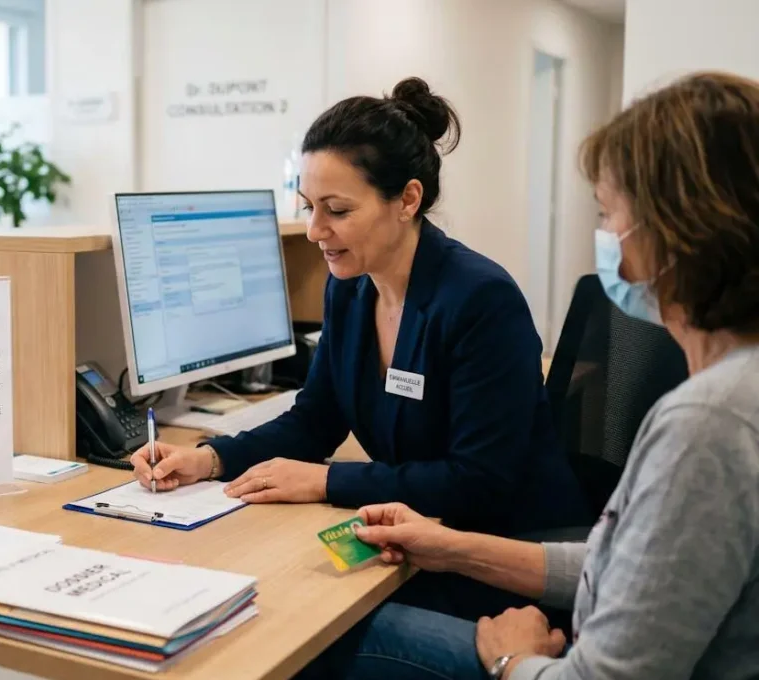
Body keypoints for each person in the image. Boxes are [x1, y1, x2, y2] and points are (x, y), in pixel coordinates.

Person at [312, 70, 759, 680]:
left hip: (550, 656)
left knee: (321, 639)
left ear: (682, 232)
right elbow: (630, 567)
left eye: (609, 216)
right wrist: (451, 548)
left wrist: (510, 658)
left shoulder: (710, 423)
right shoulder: (728, 398)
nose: (604, 240)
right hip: (569, 607)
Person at [132, 77, 586, 618]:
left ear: (408, 200)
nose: (313, 230)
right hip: (422, 537)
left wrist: (325, 479)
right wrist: (210, 459)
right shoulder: (350, 286)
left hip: (501, 556)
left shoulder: (479, 300)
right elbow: (315, 420)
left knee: (299, 623)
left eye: (337, 210)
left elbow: (478, 481)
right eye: (308, 206)